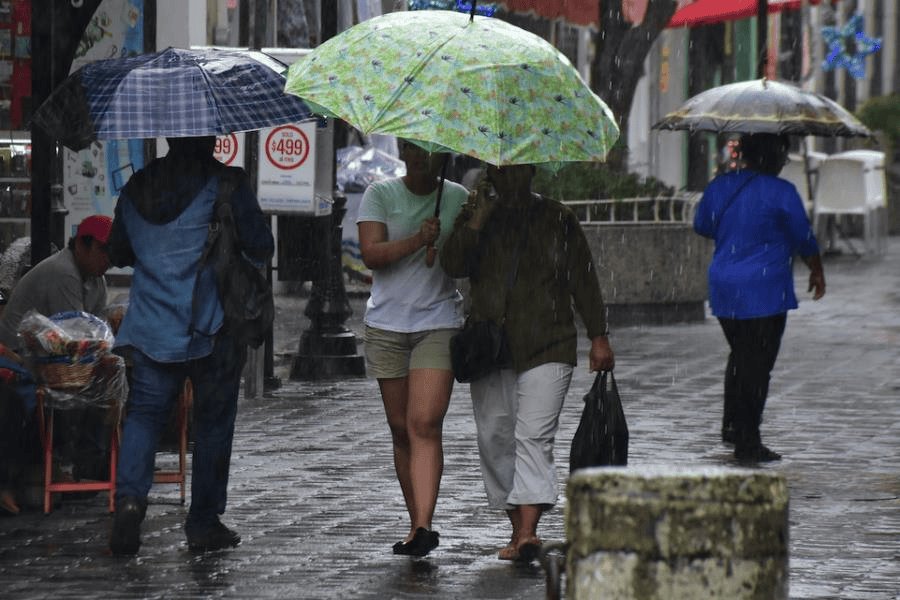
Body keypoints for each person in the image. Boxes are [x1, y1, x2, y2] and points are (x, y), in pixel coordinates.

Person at [107, 136, 274, 555]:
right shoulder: (227, 186)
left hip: (149, 328)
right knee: (213, 424)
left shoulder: (135, 187)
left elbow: (118, 251)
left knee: (144, 416)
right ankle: (202, 522)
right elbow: (260, 245)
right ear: (212, 138)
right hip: (210, 328)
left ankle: (129, 500)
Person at [441, 164, 615, 562]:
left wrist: (598, 335)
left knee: (534, 435)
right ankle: (518, 527)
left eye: (518, 169)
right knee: (496, 438)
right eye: (501, 170)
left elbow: (583, 279)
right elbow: (452, 265)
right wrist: (477, 221)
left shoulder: (557, 217)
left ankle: (529, 531)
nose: (509, 177)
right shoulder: (477, 214)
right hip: (492, 347)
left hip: (548, 343)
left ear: (533, 170)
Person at [357, 139, 469, 557]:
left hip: (437, 323)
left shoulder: (458, 199)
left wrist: (469, 228)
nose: (420, 155)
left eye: (429, 149)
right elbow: (372, 254)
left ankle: (425, 524)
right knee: (401, 429)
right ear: (402, 151)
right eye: (412, 147)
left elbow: (468, 260)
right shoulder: (380, 194)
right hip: (387, 325)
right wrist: (417, 240)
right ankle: (414, 521)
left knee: (423, 423)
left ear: (444, 153)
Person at [693, 132, 826, 464]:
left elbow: (703, 225)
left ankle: (733, 426)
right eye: (782, 154)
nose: (784, 161)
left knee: (741, 355)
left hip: (725, 285)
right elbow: (803, 237)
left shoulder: (720, 186)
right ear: (771, 156)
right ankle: (747, 440)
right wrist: (816, 268)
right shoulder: (782, 192)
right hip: (765, 290)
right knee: (757, 365)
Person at [0, 214, 113, 514]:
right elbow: (74, 335)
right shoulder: (64, 273)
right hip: (21, 355)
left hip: (56, 355)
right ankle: (62, 463)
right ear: (82, 246)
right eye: (104, 251)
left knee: (107, 381)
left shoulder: (95, 279)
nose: (109, 259)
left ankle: (86, 463)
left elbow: (96, 328)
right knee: (74, 392)